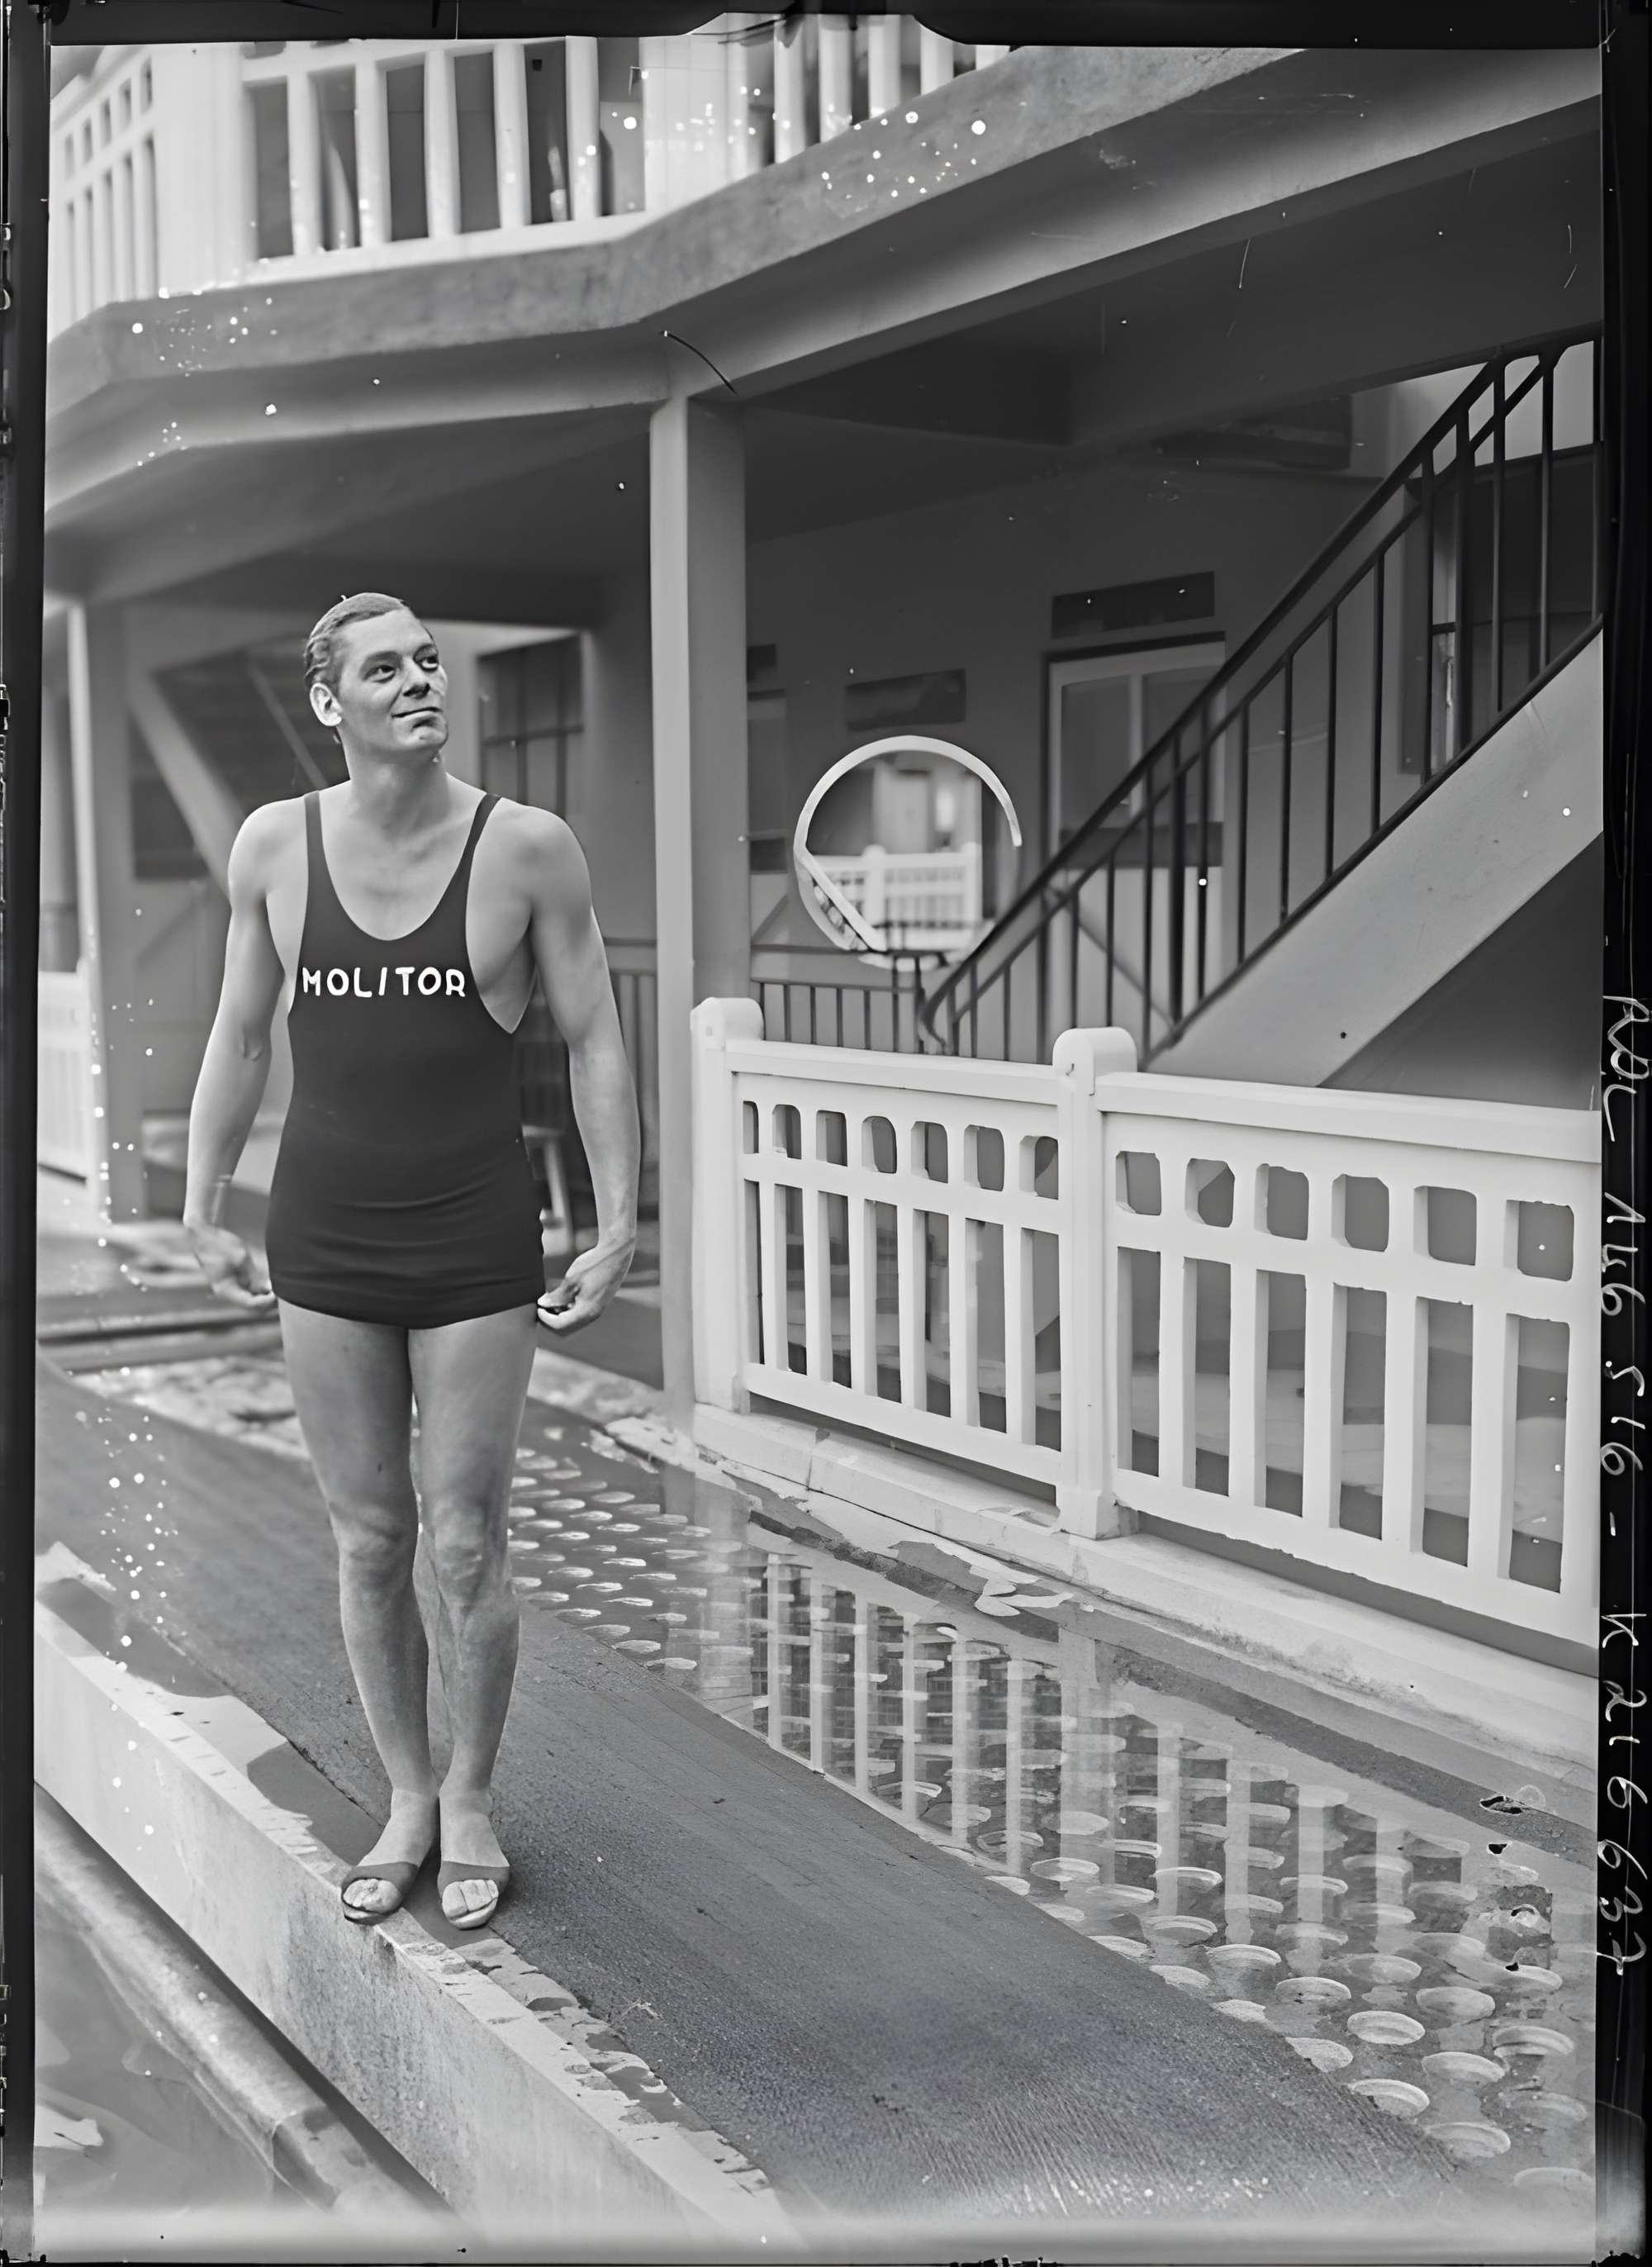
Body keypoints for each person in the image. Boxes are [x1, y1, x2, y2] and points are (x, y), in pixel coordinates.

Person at [183, 593, 639, 1933]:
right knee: (373, 1537)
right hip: (322, 1238)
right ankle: (406, 1796)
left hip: (473, 1239)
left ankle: (478, 1798)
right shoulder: (274, 847)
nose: (422, 681)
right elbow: (239, 1036)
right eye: (387, 668)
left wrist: (617, 1224)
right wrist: (204, 1205)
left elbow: (596, 1037)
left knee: (468, 1539)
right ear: (332, 704)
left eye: (432, 661)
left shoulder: (527, 851)